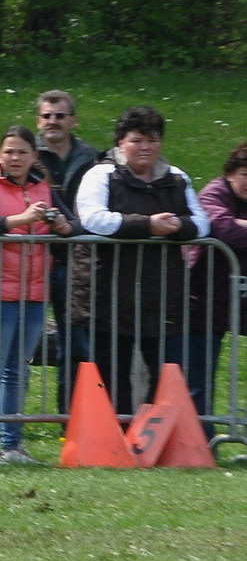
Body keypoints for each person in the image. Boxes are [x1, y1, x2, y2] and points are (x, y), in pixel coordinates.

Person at [75, 106, 209, 417]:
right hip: (107, 298)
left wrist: (177, 227)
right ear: (120, 143)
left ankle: (152, 437)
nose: (145, 147)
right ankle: (117, 438)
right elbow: (92, 218)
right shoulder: (100, 174)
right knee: (112, 379)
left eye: (152, 140)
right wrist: (148, 225)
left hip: (161, 299)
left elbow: (202, 223)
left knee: (169, 378)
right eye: (136, 140)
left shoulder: (177, 178)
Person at [0, 127, 74, 465]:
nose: (15, 158)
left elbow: (74, 224)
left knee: (18, 370)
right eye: (9, 151)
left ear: (33, 156)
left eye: (22, 151)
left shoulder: (44, 187)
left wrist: (61, 225)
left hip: (35, 292)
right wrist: (20, 219)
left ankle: (12, 446)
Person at [34, 90, 101, 412]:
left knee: (75, 342)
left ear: (73, 120)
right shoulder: (24, 153)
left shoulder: (92, 158)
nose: (53, 121)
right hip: (30, 259)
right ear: (38, 120)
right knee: (15, 343)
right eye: (46, 116)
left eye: (60, 116)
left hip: (76, 261)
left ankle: (72, 418)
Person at [184, 141, 247, 438]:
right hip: (205, 299)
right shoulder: (214, 192)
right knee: (199, 375)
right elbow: (223, 228)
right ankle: (200, 440)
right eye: (245, 174)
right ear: (231, 173)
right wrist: (237, 225)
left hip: (238, 296)